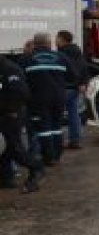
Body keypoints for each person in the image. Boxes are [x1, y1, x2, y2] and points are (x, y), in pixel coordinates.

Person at [20, 32, 70, 166]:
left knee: (44, 128)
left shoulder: (27, 59)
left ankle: (48, 157)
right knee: (56, 126)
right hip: (59, 98)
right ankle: (57, 155)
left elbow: (21, 80)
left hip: (38, 99)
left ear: (35, 44)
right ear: (49, 43)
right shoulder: (61, 57)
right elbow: (73, 76)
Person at [0, 54, 42, 192]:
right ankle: (6, 178)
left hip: (11, 114)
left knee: (14, 148)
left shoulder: (9, 69)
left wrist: (11, 109)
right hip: (5, 113)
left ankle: (36, 168)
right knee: (4, 149)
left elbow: (21, 92)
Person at [56, 29, 89, 150]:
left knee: (56, 114)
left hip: (65, 86)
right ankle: (75, 139)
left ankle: (56, 140)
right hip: (75, 87)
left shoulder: (63, 53)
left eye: (57, 38)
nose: (56, 40)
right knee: (73, 113)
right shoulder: (76, 52)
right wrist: (83, 83)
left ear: (62, 39)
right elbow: (84, 68)